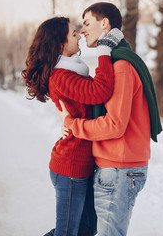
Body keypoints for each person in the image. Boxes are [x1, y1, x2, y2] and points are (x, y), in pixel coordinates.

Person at [57, 2, 163, 235]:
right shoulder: (119, 60)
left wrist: (73, 125)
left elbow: (114, 125)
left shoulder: (121, 66)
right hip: (119, 166)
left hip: (118, 169)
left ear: (104, 23)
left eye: (86, 24)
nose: (82, 31)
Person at [21, 16, 124, 236]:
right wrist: (104, 51)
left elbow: (91, 98)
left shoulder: (73, 70)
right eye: (73, 33)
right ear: (60, 43)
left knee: (87, 229)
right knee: (67, 232)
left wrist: (69, 122)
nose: (79, 36)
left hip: (82, 165)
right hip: (70, 168)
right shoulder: (61, 76)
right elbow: (99, 91)